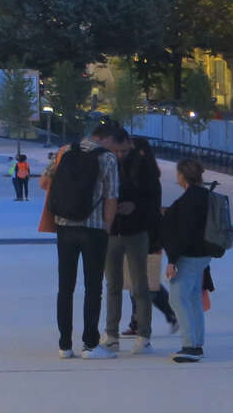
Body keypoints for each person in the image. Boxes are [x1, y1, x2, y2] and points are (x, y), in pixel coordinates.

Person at [41, 120, 121, 359]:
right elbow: (112, 197)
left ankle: (65, 345)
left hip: (64, 226)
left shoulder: (64, 151)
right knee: (93, 288)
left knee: (65, 287)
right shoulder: (107, 158)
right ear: (105, 138)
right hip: (93, 229)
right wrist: (107, 227)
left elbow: (43, 182)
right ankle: (90, 344)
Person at [104, 129, 157, 353]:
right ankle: (111, 334)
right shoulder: (106, 163)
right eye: (116, 151)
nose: (119, 155)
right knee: (113, 285)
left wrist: (135, 206)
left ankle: (144, 335)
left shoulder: (143, 166)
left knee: (140, 285)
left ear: (130, 144)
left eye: (123, 151)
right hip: (112, 232)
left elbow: (153, 199)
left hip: (136, 231)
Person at [159, 158, 215, 363]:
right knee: (192, 298)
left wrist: (172, 260)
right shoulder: (205, 195)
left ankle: (190, 346)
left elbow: (184, 232)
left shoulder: (190, 198)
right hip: (204, 254)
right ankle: (196, 343)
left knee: (176, 299)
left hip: (189, 255)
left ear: (182, 175)